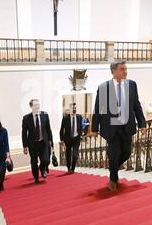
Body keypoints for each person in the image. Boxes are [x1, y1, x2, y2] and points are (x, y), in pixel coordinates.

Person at [91, 61, 147, 191]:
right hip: (111, 128)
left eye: (126, 69)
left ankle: (113, 167)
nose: (125, 72)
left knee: (127, 153)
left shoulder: (132, 85)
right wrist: (94, 129)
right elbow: (98, 109)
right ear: (114, 71)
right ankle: (113, 179)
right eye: (122, 69)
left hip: (127, 126)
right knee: (114, 153)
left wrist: (142, 124)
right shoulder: (104, 87)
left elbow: (136, 106)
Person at [22, 99, 54, 183]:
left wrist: (50, 140)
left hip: (43, 142)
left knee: (46, 160)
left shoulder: (45, 115)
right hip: (32, 144)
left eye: (38, 105)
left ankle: (42, 168)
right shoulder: (26, 118)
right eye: (35, 105)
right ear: (31, 107)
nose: (37, 106)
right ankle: (36, 178)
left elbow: (48, 129)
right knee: (34, 162)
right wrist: (25, 146)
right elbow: (24, 133)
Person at [60, 102, 83, 174]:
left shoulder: (79, 117)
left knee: (75, 155)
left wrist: (81, 134)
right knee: (68, 154)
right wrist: (62, 140)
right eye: (73, 108)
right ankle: (68, 167)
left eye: (75, 108)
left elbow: (81, 126)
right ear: (70, 109)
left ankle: (72, 169)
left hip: (76, 138)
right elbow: (61, 129)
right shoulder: (65, 118)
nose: (74, 109)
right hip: (68, 139)